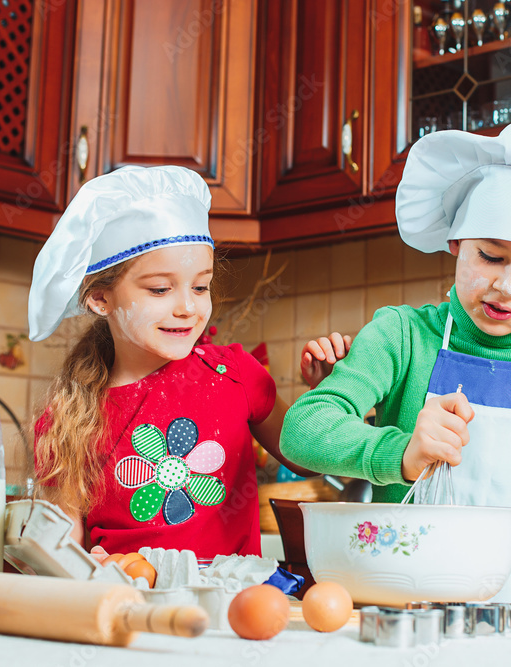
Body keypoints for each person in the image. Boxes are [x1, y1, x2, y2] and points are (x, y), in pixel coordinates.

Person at [280, 116, 511, 604]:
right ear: (456, 244)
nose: (508, 287)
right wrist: (402, 454)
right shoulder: (403, 335)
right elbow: (303, 428)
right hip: (401, 598)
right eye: (491, 256)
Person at [27, 165, 320, 565]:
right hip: (127, 607)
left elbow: (312, 460)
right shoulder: (68, 418)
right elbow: (59, 551)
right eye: (161, 289)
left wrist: (327, 397)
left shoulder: (235, 372)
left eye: (200, 286)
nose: (187, 307)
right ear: (100, 299)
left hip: (228, 607)